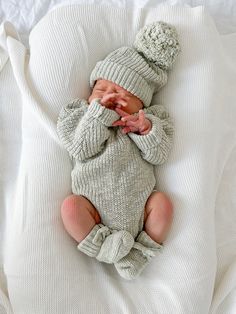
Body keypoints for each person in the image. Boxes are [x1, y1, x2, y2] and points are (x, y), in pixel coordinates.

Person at [57, 21, 180, 280]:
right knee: (70, 208)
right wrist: (98, 115)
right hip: (91, 207)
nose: (110, 96)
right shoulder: (80, 115)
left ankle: (139, 253)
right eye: (101, 90)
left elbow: (160, 154)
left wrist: (145, 130)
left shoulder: (149, 121)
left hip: (140, 206)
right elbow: (80, 148)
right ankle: (104, 247)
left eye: (122, 94)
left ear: (141, 104)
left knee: (164, 205)